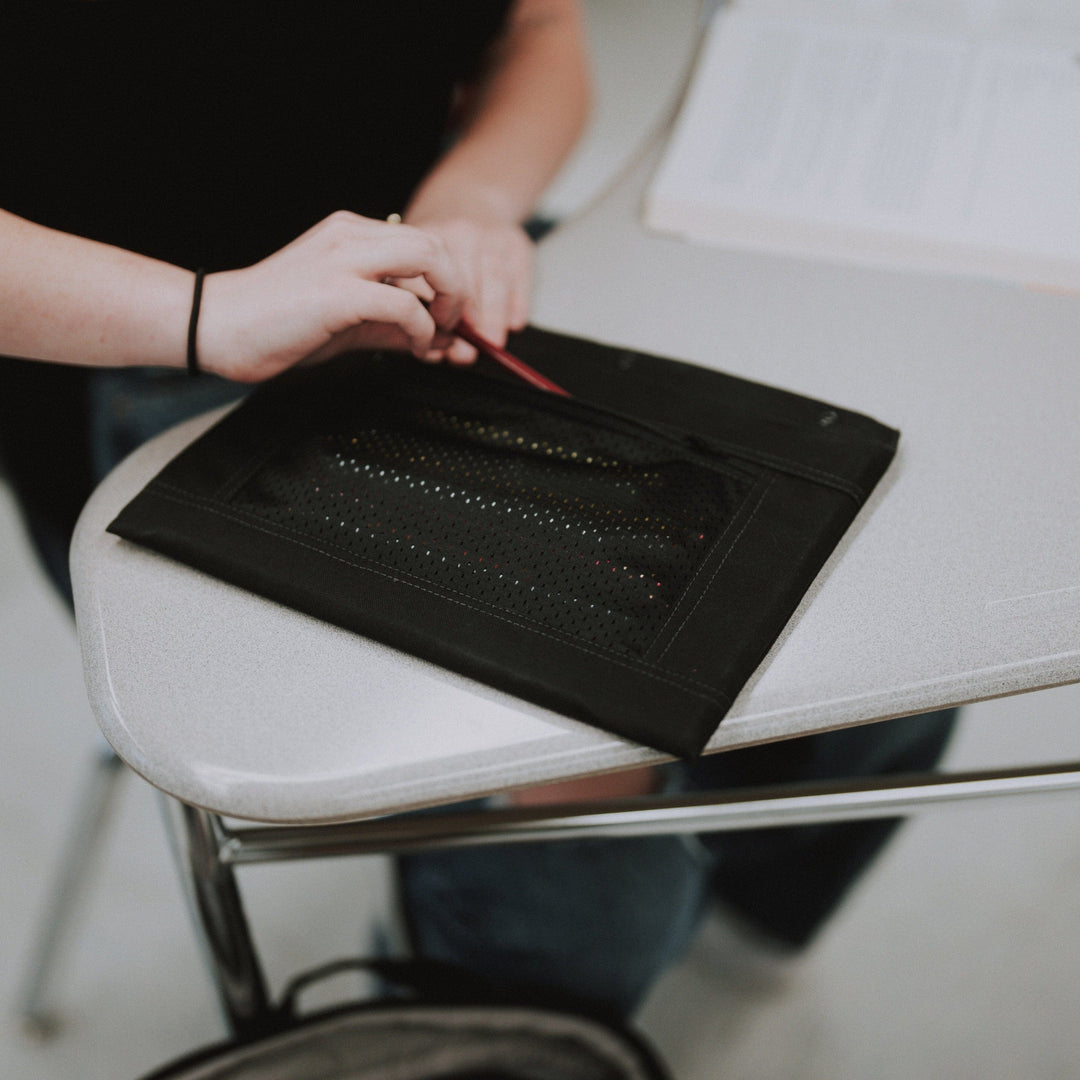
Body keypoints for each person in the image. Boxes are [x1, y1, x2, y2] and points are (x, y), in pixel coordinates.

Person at [0, 0, 955, 1024]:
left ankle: (720, 931)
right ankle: (537, 1006)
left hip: (423, 260)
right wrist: (205, 313)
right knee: (596, 877)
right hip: (141, 342)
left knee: (889, 649)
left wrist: (473, 197)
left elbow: (537, 30)